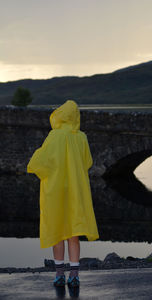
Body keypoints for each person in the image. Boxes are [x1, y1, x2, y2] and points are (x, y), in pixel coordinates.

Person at [27, 100, 99, 287]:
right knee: (73, 233)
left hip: (56, 191)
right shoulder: (81, 137)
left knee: (57, 232)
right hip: (76, 190)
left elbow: (39, 163)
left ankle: (59, 274)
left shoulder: (54, 136)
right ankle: (74, 275)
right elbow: (87, 162)